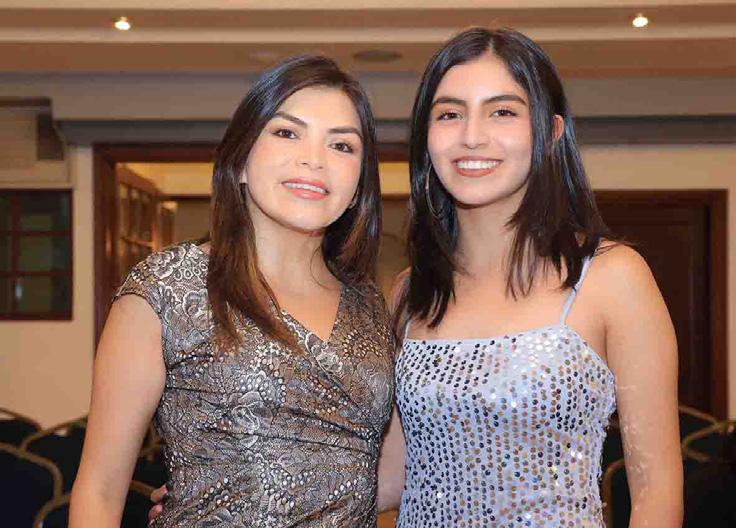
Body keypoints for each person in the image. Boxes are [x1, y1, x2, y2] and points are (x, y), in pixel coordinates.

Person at [69, 55, 395, 527]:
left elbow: (371, 476)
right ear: (240, 160)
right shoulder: (169, 286)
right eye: (287, 133)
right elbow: (99, 491)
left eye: (341, 145)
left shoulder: (368, 303)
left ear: (359, 183)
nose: (314, 159)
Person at [380, 27, 683, 527]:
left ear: (551, 133)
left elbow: (657, 497)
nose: (472, 136)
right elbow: (393, 476)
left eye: (502, 112)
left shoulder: (612, 278)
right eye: (450, 114)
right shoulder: (411, 293)